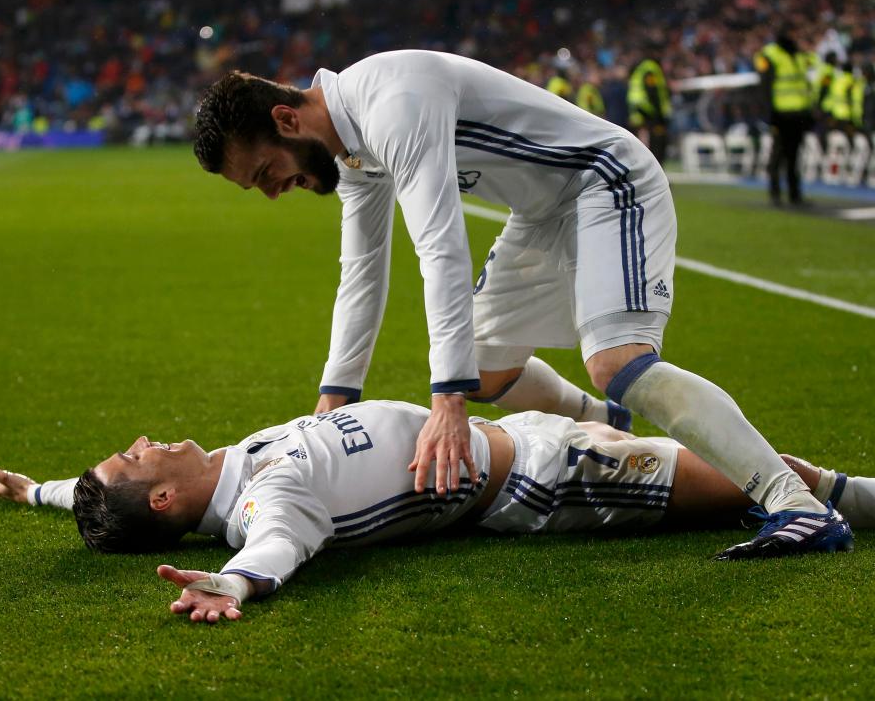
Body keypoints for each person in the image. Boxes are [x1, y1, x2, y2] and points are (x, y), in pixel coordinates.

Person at [191, 49, 849, 559]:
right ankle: (612, 420)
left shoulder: (389, 100)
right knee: (483, 365)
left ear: (285, 121)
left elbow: (441, 249)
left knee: (617, 359)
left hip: (603, 176)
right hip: (543, 211)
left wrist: (446, 402)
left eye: (264, 174)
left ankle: (793, 503)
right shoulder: (354, 152)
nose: (275, 192)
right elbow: (361, 275)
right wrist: (333, 403)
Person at [0, 400, 860, 624]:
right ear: (166, 500)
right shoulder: (261, 502)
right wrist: (237, 584)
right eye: (134, 460)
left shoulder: (227, 465)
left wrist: (42, 492)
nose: (140, 439)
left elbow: (108, 503)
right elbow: (281, 545)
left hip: (511, 433)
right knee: (753, 474)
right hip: (546, 477)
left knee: (739, 459)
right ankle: (854, 499)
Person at [754, 28, 814, 206]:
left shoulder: (799, 55)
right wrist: (770, 116)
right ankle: (775, 194)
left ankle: (795, 195)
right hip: (781, 115)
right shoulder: (771, 55)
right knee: (778, 156)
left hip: (798, 114)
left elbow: (803, 85)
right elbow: (765, 87)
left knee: (794, 157)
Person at [626, 54, 670, 163]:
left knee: (642, 141)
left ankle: (642, 168)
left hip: (636, 110)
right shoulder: (651, 68)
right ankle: (649, 168)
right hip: (646, 110)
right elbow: (652, 91)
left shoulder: (639, 68)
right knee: (650, 143)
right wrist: (659, 114)